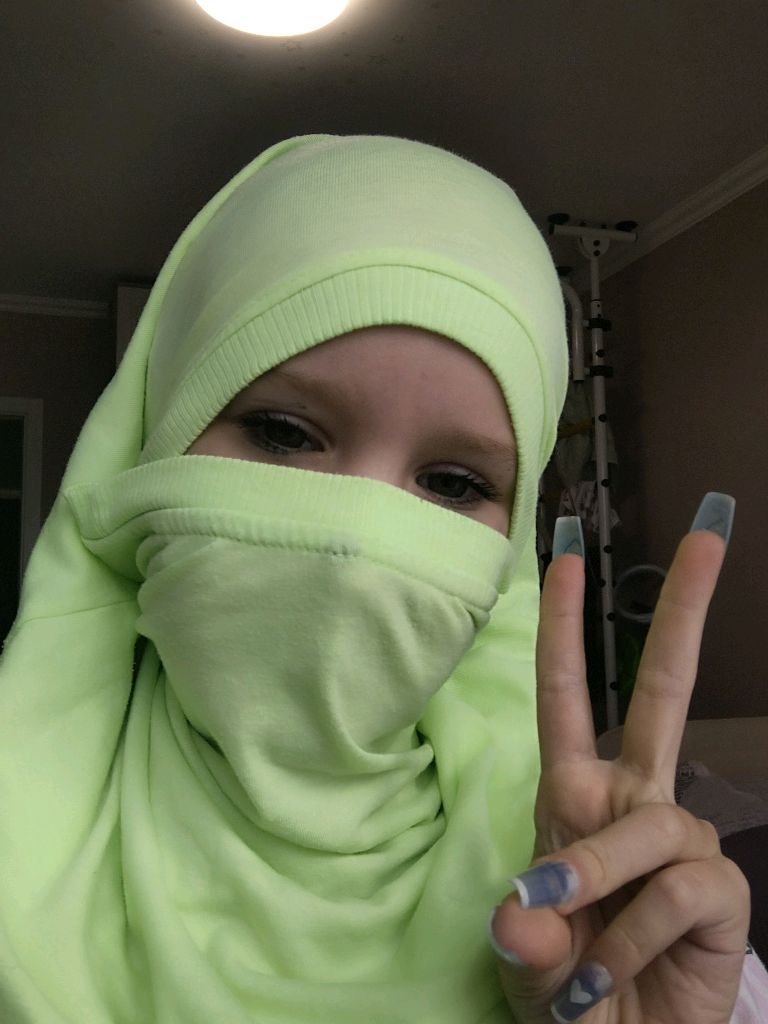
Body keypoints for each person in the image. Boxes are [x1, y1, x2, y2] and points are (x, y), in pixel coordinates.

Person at [0, 134, 757, 1023]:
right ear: (158, 436)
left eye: (453, 484)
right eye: (282, 433)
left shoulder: (616, 913)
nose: (356, 544)